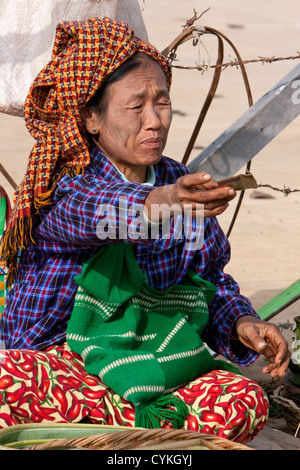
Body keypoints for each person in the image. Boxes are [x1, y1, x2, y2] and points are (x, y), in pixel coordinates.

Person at [0, 17, 290, 443]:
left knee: (245, 400)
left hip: (158, 363)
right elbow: (102, 215)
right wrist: (169, 201)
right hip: (66, 363)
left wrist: (243, 323)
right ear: (92, 119)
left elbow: (209, 278)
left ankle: (115, 427)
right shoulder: (62, 184)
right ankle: (145, 428)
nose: (154, 120)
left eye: (162, 102)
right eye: (136, 107)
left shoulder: (177, 180)